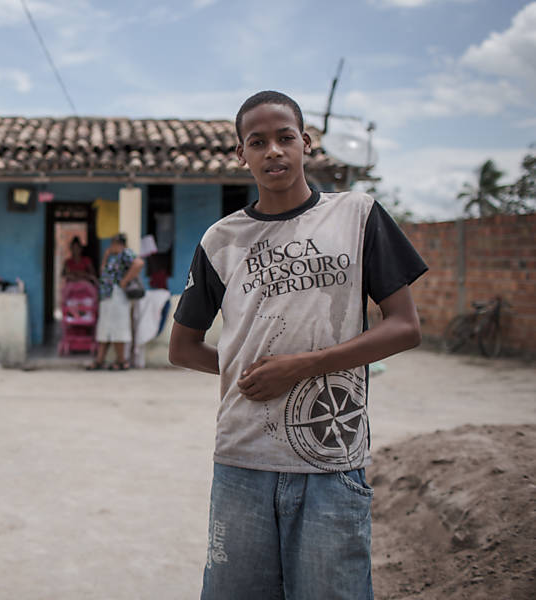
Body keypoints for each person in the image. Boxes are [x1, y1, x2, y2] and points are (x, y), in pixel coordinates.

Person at [169, 90, 427, 599]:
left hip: (332, 456)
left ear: (307, 142)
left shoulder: (356, 215)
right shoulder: (222, 240)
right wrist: (249, 370)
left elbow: (404, 326)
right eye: (257, 142)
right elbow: (182, 348)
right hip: (243, 457)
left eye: (285, 137)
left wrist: (302, 367)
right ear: (240, 155)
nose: (274, 151)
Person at [88, 233, 144, 371]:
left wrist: (125, 281)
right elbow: (102, 271)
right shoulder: (113, 257)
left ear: (118, 244)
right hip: (107, 296)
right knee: (105, 328)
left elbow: (139, 263)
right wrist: (106, 255)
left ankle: (122, 361)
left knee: (118, 328)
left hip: (117, 296)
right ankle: (100, 360)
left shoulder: (125, 253)